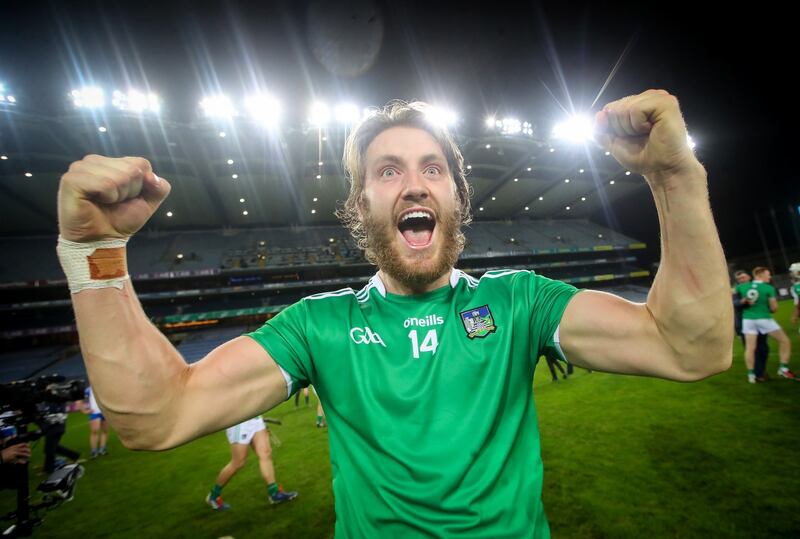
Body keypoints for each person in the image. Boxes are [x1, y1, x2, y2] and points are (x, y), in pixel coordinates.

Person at [55, 90, 732, 537]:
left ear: (457, 196)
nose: (413, 184)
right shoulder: (318, 326)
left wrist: (674, 176)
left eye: (433, 168)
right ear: (361, 207)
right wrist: (94, 253)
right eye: (387, 171)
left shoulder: (519, 301)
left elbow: (689, 347)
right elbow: (157, 415)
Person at [205, 416, 297, 510]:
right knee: (238, 462)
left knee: (266, 453)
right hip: (238, 422)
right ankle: (213, 496)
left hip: (255, 418)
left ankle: (274, 493)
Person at [734, 267, 794, 382]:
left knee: (750, 348)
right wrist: (767, 307)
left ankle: (751, 375)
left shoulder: (741, 287)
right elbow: (774, 308)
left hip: (747, 321)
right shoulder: (768, 288)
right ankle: (783, 368)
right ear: (760, 275)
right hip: (763, 319)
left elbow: (736, 302)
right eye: (768, 274)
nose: (769, 277)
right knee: (785, 341)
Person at [732, 270, 770, 380]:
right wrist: (743, 301)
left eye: (743, 277)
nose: (742, 280)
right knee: (752, 350)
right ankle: (758, 374)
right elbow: (734, 303)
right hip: (744, 325)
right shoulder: (737, 290)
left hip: (760, 322)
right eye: (739, 279)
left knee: (764, 349)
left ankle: (761, 371)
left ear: (749, 277)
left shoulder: (757, 288)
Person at [82, 386, 110, 458]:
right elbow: (84, 400)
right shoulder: (88, 389)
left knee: (105, 431)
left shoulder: (104, 387)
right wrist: (85, 410)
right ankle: (94, 451)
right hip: (95, 412)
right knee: (94, 431)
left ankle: (102, 449)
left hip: (105, 412)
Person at [790, 262, 800, 327]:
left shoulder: (796, 287)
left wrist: (794, 315)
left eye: (793, 271)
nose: (792, 273)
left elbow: (799, 304)